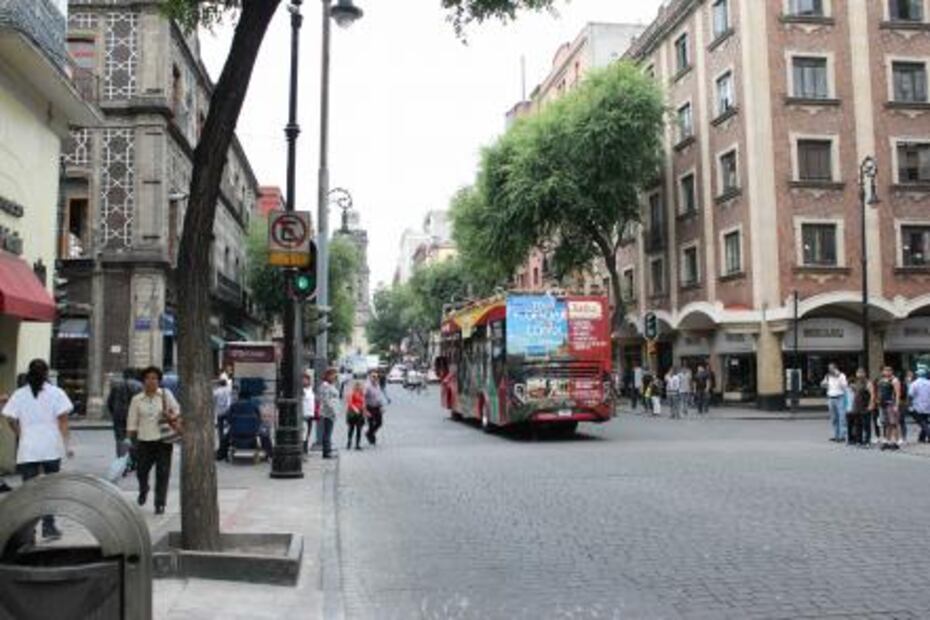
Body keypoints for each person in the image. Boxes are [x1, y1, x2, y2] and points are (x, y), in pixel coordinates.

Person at [2, 359, 74, 540]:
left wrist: (21, 434)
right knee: (50, 488)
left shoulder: (19, 394)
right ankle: (49, 527)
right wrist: (67, 445)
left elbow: (9, 418)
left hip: (28, 448)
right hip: (51, 447)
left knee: (29, 492)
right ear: (46, 374)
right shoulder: (56, 393)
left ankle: (29, 532)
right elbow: (63, 421)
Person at [127, 366, 181, 515]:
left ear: (159, 381)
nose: (151, 381)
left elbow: (177, 411)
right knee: (141, 471)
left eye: (155, 378)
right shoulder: (137, 400)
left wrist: (170, 415)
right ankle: (143, 489)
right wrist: (129, 440)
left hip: (163, 441)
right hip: (144, 441)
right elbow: (132, 422)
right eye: (148, 378)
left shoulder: (165, 395)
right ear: (143, 381)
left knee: (163, 473)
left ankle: (160, 503)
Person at [216, 385, 272, 460]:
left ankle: (221, 455)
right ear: (249, 398)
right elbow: (259, 419)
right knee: (265, 436)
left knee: (224, 438)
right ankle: (269, 454)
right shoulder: (254, 406)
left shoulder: (233, 406)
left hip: (235, 433)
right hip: (252, 433)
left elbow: (229, 419)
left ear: (239, 397)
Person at [107, 369, 141, 458]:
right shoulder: (139, 386)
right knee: (134, 437)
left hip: (119, 415)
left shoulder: (116, 385)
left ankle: (121, 457)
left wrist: (113, 413)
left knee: (120, 437)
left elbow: (110, 402)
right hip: (133, 415)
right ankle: (133, 458)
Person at [875, 365, 902, 450]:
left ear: (891, 371)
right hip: (882, 404)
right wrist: (878, 400)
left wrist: (896, 405)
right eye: (885, 370)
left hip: (891, 404)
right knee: (886, 424)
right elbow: (879, 391)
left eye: (888, 370)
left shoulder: (894, 380)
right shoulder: (881, 380)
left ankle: (895, 442)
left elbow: (897, 394)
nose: (886, 372)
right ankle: (887, 441)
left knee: (893, 423)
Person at [821, 363, 848, 442]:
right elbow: (822, 384)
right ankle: (836, 435)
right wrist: (824, 384)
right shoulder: (827, 376)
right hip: (831, 398)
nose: (830, 370)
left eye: (832, 368)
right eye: (829, 368)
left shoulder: (842, 376)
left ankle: (842, 436)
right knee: (834, 418)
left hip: (840, 398)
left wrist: (838, 377)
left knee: (842, 417)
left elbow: (845, 386)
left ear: (836, 368)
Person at [847, 368, 874, 447]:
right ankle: (859, 440)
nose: (859, 374)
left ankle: (867, 441)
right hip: (857, 406)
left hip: (865, 406)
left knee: (866, 425)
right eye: (858, 373)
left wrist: (871, 404)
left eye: (861, 373)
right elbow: (856, 394)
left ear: (864, 374)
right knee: (858, 424)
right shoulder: (857, 382)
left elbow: (872, 394)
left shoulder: (868, 383)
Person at [319, 368, 340, 459]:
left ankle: (328, 449)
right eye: (333, 375)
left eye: (335, 375)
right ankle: (326, 452)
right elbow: (326, 400)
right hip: (328, 412)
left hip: (331, 412)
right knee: (327, 432)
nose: (335, 377)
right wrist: (332, 410)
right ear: (328, 375)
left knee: (328, 432)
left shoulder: (331, 385)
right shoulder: (325, 386)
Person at [908, 366, 930, 443]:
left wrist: (909, 405)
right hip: (928, 405)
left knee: (921, 422)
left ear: (918, 375)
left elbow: (910, 395)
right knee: (925, 421)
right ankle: (921, 438)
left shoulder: (914, 384)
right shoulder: (929, 383)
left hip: (917, 405)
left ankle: (928, 434)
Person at [365, 371, 387, 445]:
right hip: (369, 407)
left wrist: (382, 406)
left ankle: (369, 433)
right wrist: (365, 410)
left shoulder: (377, 385)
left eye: (377, 377)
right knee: (371, 424)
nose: (375, 378)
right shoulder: (367, 387)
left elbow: (379, 397)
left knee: (379, 423)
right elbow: (363, 398)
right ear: (370, 377)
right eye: (373, 376)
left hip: (377, 407)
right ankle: (371, 437)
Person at [346, 382, 366, 450]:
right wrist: (355, 409)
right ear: (354, 387)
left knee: (359, 429)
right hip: (352, 413)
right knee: (351, 428)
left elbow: (363, 403)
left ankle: (357, 444)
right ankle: (349, 442)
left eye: (359, 386)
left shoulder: (362, 394)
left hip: (360, 413)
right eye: (357, 386)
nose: (358, 387)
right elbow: (350, 403)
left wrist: (364, 412)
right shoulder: (351, 393)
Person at [301, 370, 315, 454]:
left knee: (308, 432)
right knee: (304, 432)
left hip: (310, 414)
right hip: (304, 413)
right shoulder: (301, 390)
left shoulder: (310, 389)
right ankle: (303, 448)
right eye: (304, 379)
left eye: (307, 379)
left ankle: (305, 447)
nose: (305, 381)